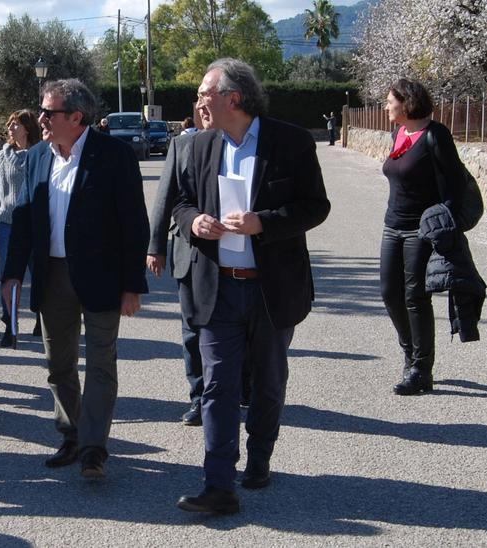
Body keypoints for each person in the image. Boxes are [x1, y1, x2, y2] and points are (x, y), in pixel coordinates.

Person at [171, 59, 330, 514]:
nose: (199, 100)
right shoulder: (199, 146)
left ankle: (259, 459)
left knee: (268, 381)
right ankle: (218, 483)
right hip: (217, 286)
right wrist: (193, 222)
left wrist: (264, 222)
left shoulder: (291, 142)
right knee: (218, 385)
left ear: (233, 99)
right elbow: (181, 202)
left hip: (271, 288)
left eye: (206, 92)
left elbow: (315, 207)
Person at [0, 78, 150, 480]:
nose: (41, 118)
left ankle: (94, 449)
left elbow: (134, 223)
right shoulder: (34, 158)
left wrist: (132, 284)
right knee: (58, 364)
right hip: (52, 276)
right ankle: (71, 433)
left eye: (49, 112)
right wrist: (12, 273)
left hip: (102, 277)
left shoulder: (113, 156)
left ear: (76, 117)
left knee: (101, 364)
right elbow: (24, 221)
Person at [378, 79, 469, 396]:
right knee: (390, 292)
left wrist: (442, 225)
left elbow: (456, 186)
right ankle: (410, 351)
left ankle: (421, 368)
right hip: (393, 225)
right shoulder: (398, 133)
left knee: (415, 296)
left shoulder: (436, 135)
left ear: (406, 103)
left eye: (390, 101)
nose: (386, 106)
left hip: (421, 228)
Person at [149, 100, 211, 426]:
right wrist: (155, 247)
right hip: (186, 251)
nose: (203, 109)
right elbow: (164, 196)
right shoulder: (181, 144)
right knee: (192, 332)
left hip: (227, 257)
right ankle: (199, 398)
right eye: (199, 104)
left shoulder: (239, 145)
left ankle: (236, 388)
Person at [0, 109, 42, 347]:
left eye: (15, 124)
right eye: (9, 124)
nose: (10, 128)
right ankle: (10, 325)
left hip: (35, 225)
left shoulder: (40, 154)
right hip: (7, 224)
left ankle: (42, 318)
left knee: (40, 275)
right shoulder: (2, 156)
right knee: (8, 278)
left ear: (27, 128)